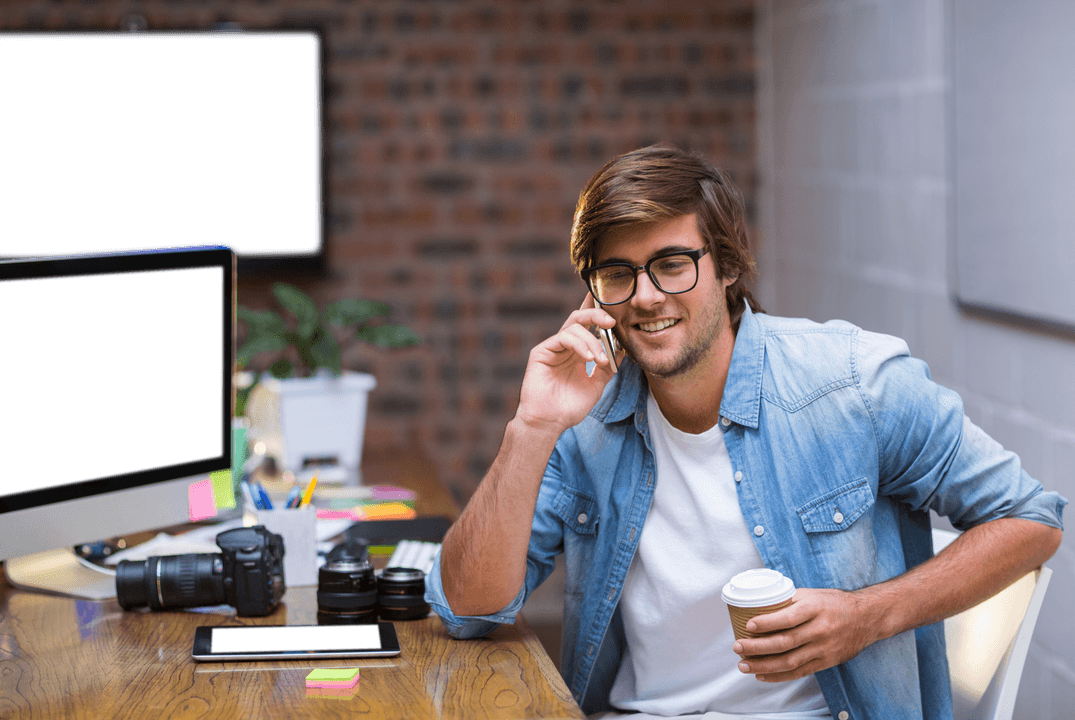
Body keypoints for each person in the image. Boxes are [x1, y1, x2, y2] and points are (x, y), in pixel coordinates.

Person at [424, 144, 1066, 720]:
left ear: (727, 266)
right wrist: (531, 426)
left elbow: (1033, 520)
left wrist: (865, 617)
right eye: (617, 274)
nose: (645, 298)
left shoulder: (853, 384)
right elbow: (467, 612)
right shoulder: (584, 422)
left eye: (672, 264)